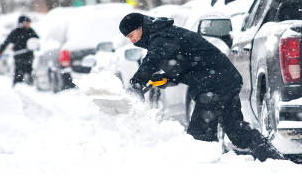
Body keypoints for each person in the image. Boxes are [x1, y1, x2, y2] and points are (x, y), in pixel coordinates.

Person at [119, 12, 285, 162]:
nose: (132, 41)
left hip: (214, 85)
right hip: (223, 80)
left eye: (132, 35)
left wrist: (136, 84)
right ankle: (280, 164)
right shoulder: (163, 34)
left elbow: (152, 61)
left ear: (141, 28)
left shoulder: (161, 36)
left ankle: (205, 168)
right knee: (237, 132)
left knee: (199, 137)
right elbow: (184, 65)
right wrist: (167, 78)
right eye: (128, 38)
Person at [0, 16, 39, 87]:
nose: (29, 24)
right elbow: (6, 42)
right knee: (19, 73)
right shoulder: (16, 32)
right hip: (19, 57)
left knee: (29, 72)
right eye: (27, 23)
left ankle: (30, 86)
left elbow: (37, 41)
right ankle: (17, 86)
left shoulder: (31, 31)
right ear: (22, 23)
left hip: (29, 56)